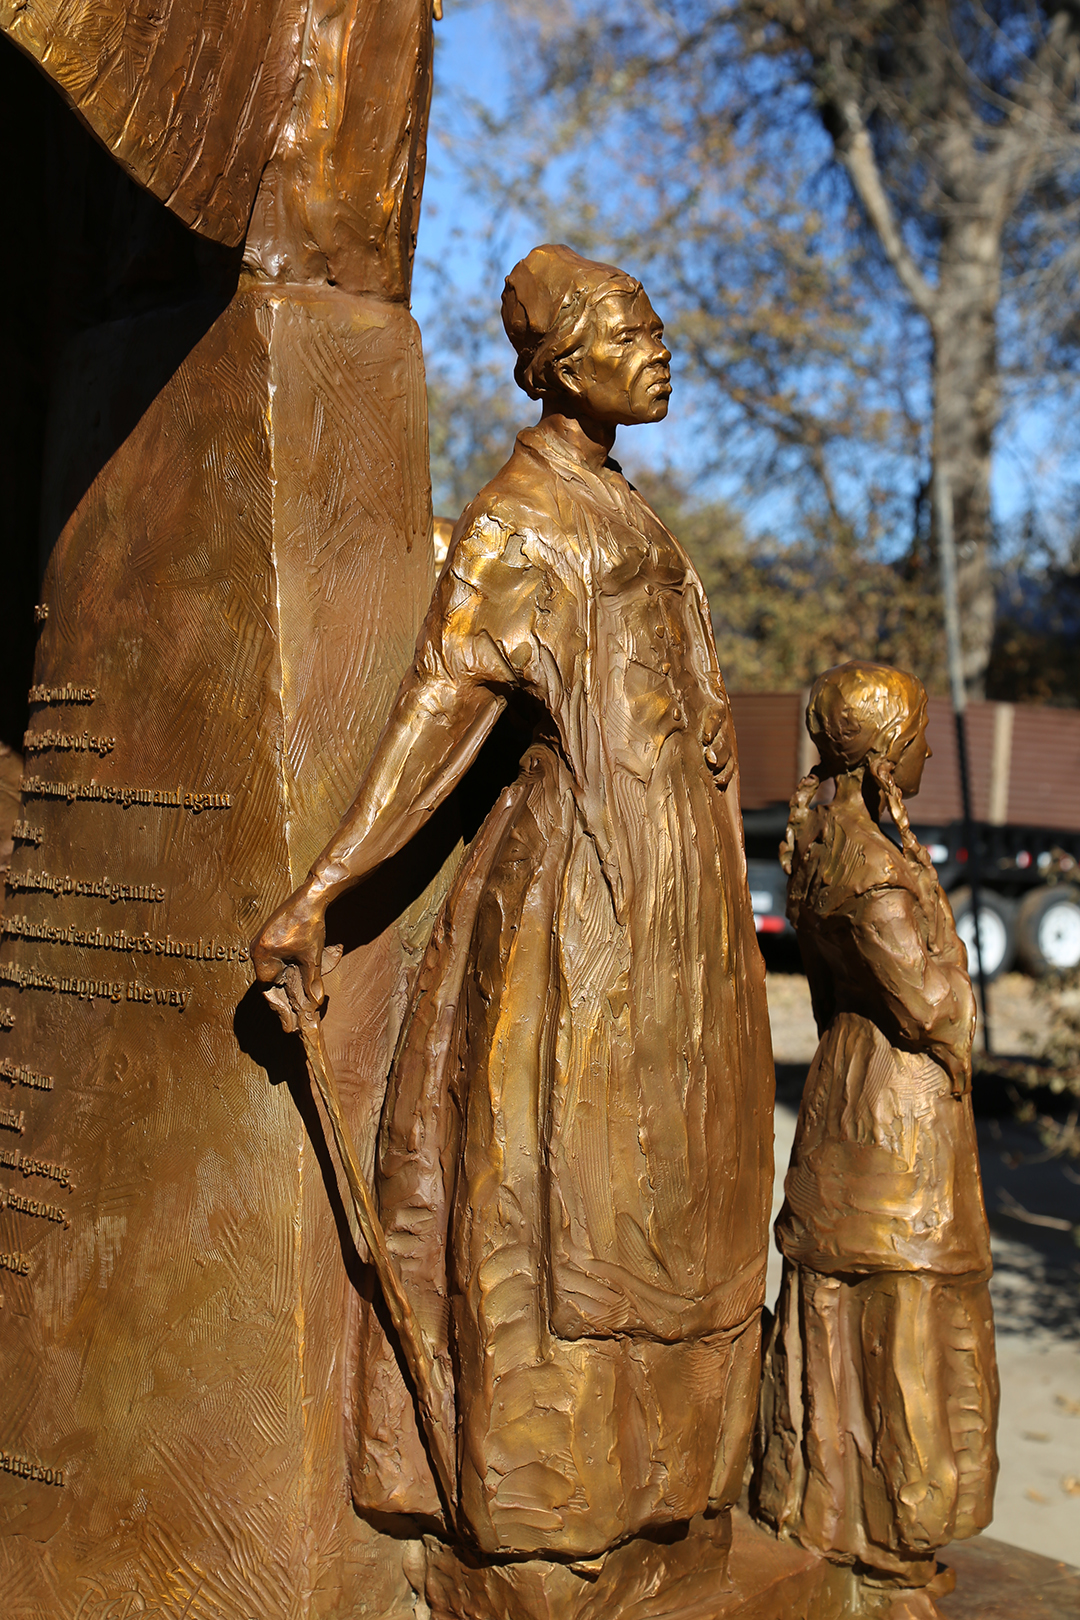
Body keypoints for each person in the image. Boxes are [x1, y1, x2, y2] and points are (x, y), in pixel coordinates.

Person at [252, 244, 773, 1564]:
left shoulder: (629, 508)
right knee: (566, 1200)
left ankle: (666, 1493)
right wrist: (323, 890)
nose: (661, 351)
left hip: (683, 902)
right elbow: (441, 710)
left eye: (659, 327)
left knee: (680, 1187)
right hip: (585, 901)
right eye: (633, 332)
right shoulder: (522, 520)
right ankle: (553, 1510)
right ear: (557, 366)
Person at [752, 661, 997, 1618]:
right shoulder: (870, 868)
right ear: (895, 750)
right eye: (924, 733)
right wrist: (956, 987)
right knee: (898, 1324)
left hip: (852, 1103)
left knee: (851, 1324)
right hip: (890, 1126)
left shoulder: (829, 844)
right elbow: (933, 1002)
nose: (933, 747)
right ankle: (882, 1548)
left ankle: (842, 1529)